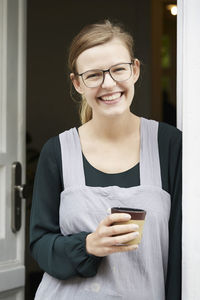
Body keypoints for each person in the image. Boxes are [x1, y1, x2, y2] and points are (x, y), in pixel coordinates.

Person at [30, 20, 182, 299]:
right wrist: (88, 245)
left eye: (118, 69)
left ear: (135, 70)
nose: (109, 84)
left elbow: (181, 253)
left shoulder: (169, 145)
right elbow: (40, 246)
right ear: (77, 83)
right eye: (94, 75)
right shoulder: (57, 151)